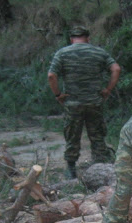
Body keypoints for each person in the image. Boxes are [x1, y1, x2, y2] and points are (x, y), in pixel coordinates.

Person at [47, 25, 121, 179]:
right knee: (97, 135)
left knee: (72, 136)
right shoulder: (99, 52)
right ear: (88, 38)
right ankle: (101, 169)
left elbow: (51, 76)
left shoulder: (62, 53)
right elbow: (116, 69)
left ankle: (71, 169)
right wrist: (107, 90)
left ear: (71, 39)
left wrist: (58, 95)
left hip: (73, 103)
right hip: (94, 102)